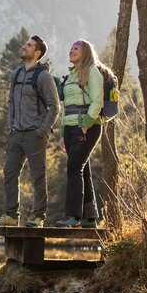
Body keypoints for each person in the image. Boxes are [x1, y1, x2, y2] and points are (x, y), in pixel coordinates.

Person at [0, 35, 60, 228]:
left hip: (34, 135)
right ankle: (11, 215)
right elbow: (11, 101)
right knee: (9, 173)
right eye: (25, 44)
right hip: (16, 134)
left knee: (38, 175)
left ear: (37, 53)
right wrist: (11, 125)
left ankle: (38, 216)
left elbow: (55, 106)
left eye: (28, 46)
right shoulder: (16, 74)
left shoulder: (43, 76)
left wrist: (42, 130)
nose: (24, 47)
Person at [55, 39, 107, 228]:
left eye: (76, 48)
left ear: (85, 52)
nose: (71, 50)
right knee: (82, 169)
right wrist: (62, 134)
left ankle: (73, 216)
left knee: (74, 168)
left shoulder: (92, 72)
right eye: (70, 48)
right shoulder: (70, 76)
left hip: (87, 127)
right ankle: (90, 217)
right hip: (70, 128)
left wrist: (85, 125)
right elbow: (66, 107)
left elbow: (97, 102)